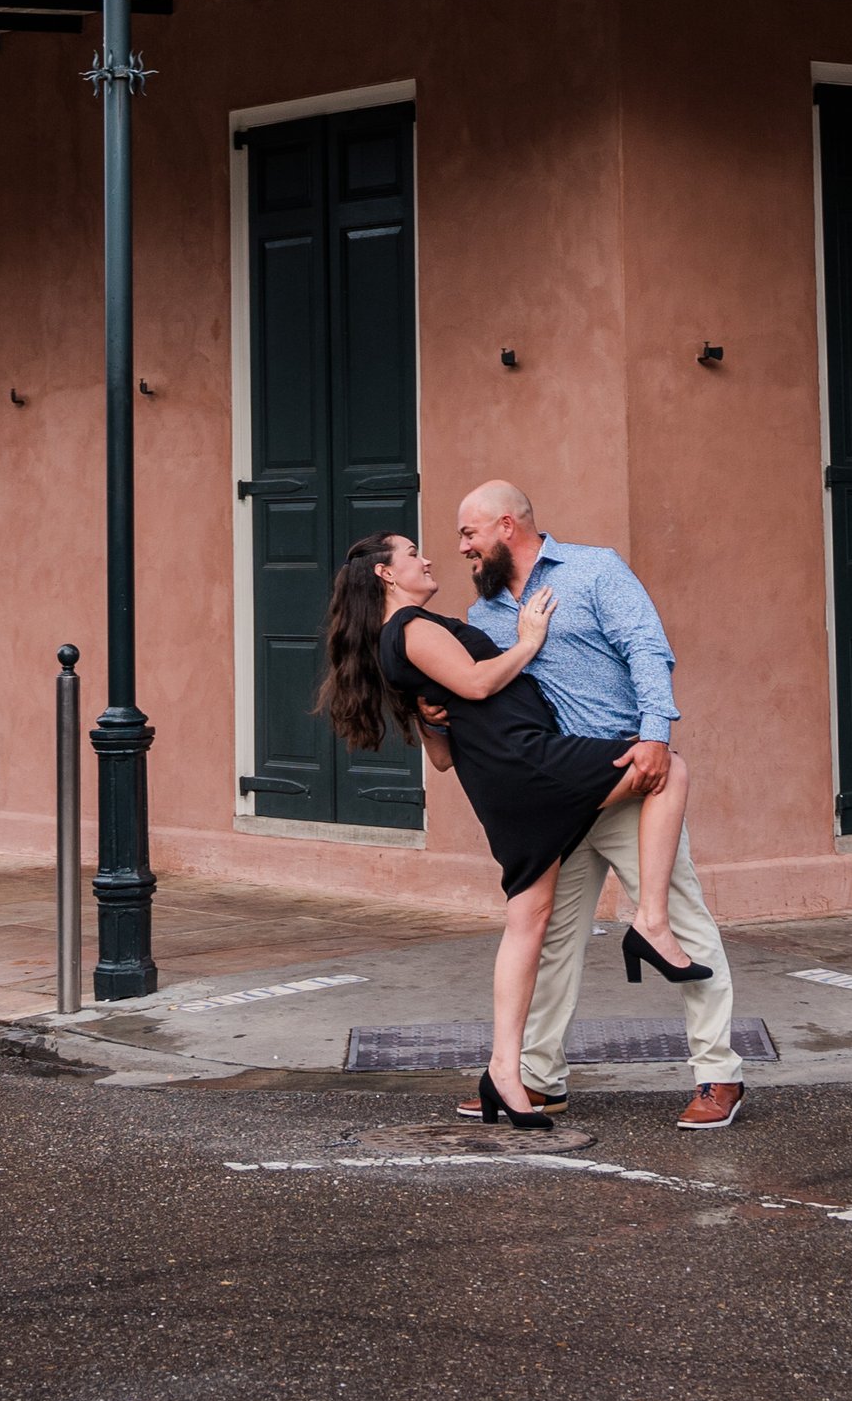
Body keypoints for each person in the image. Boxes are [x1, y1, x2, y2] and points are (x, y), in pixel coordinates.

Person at [318, 532, 693, 1130]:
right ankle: (649, 919)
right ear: (387, 575)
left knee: (529, 922)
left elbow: (441, 754)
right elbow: (477, 684)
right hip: (526, 763)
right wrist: (530, 639)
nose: (428, 558)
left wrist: (429, 714)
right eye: (413, 554)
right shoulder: (411, 627)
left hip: (504, 779)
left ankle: (504, 1075)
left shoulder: (402, 638)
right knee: (664, 765)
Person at [459, 481, 744, 1132]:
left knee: (678, 919)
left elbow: (647, 647)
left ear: (507, 525)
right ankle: (537, 1079)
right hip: (555, 795)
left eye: (469, 534)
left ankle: (718, 1072)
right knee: (554, 941)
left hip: (627, 779)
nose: (463, 549)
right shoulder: (485, 619)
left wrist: (654, 736)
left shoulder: (595, 570)